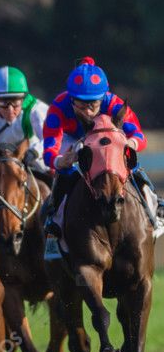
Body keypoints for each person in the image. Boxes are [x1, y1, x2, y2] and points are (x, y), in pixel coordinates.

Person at [42, 57, 163, 256]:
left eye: (93, 104)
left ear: (103, 97)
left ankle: (155, 207)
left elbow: (139, 137)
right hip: (74, 141)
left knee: (129, 163)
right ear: (71, 99)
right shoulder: (58, 107)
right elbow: (49, 152)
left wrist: (129, 144)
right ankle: (53, 220)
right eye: (82, 105)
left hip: (105, 140)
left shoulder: (113, 103)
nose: (88, 111)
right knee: (65, 172)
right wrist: (61, 161)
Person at [0, 66, 49, 172]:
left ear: (23, 99)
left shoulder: (35, 109)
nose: (10, 110)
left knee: (47, 167)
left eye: (15, 102)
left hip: (27, 151)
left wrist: (35, 152)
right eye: (3, 102)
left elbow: (50, 138)